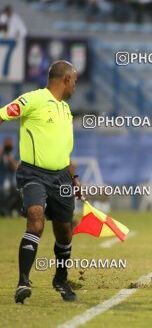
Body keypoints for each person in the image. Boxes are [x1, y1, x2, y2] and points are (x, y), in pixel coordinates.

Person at [0, 60, 82, 303]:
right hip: (34, 173)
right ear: (66, 79)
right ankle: (23, 282)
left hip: (62, 177)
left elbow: (64, 152)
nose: (75, 87)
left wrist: (74, 177)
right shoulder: (33, 100)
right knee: (35, 221)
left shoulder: (65, 110)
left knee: (65, 233)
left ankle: (60, 278)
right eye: (75, 81)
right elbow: (2, 114)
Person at [0, 137, 20, 216]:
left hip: (12, 182)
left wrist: (10, 158)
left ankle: (10, 210)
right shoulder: (2, 155)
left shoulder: (15, 155)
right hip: (2, 181)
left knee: (17, 193)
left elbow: (16, 167)